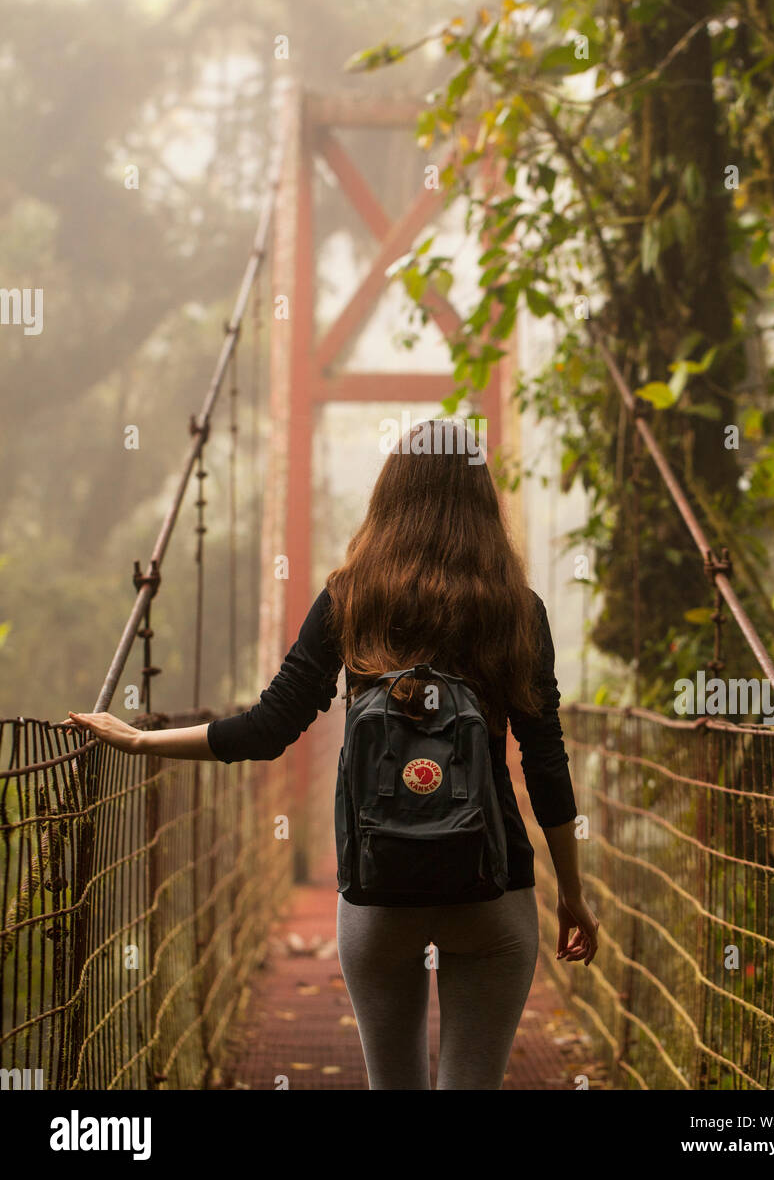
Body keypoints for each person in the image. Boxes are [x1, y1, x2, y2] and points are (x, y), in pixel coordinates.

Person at [64, 417, 599, 1090]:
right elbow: (545, 763)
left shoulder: (351, 599)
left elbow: (268, 728)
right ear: (483, 503)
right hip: (492, 887)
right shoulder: (517, 609)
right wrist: (573, 894)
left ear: (387, 497)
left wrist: (142, 739)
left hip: (376, 890)